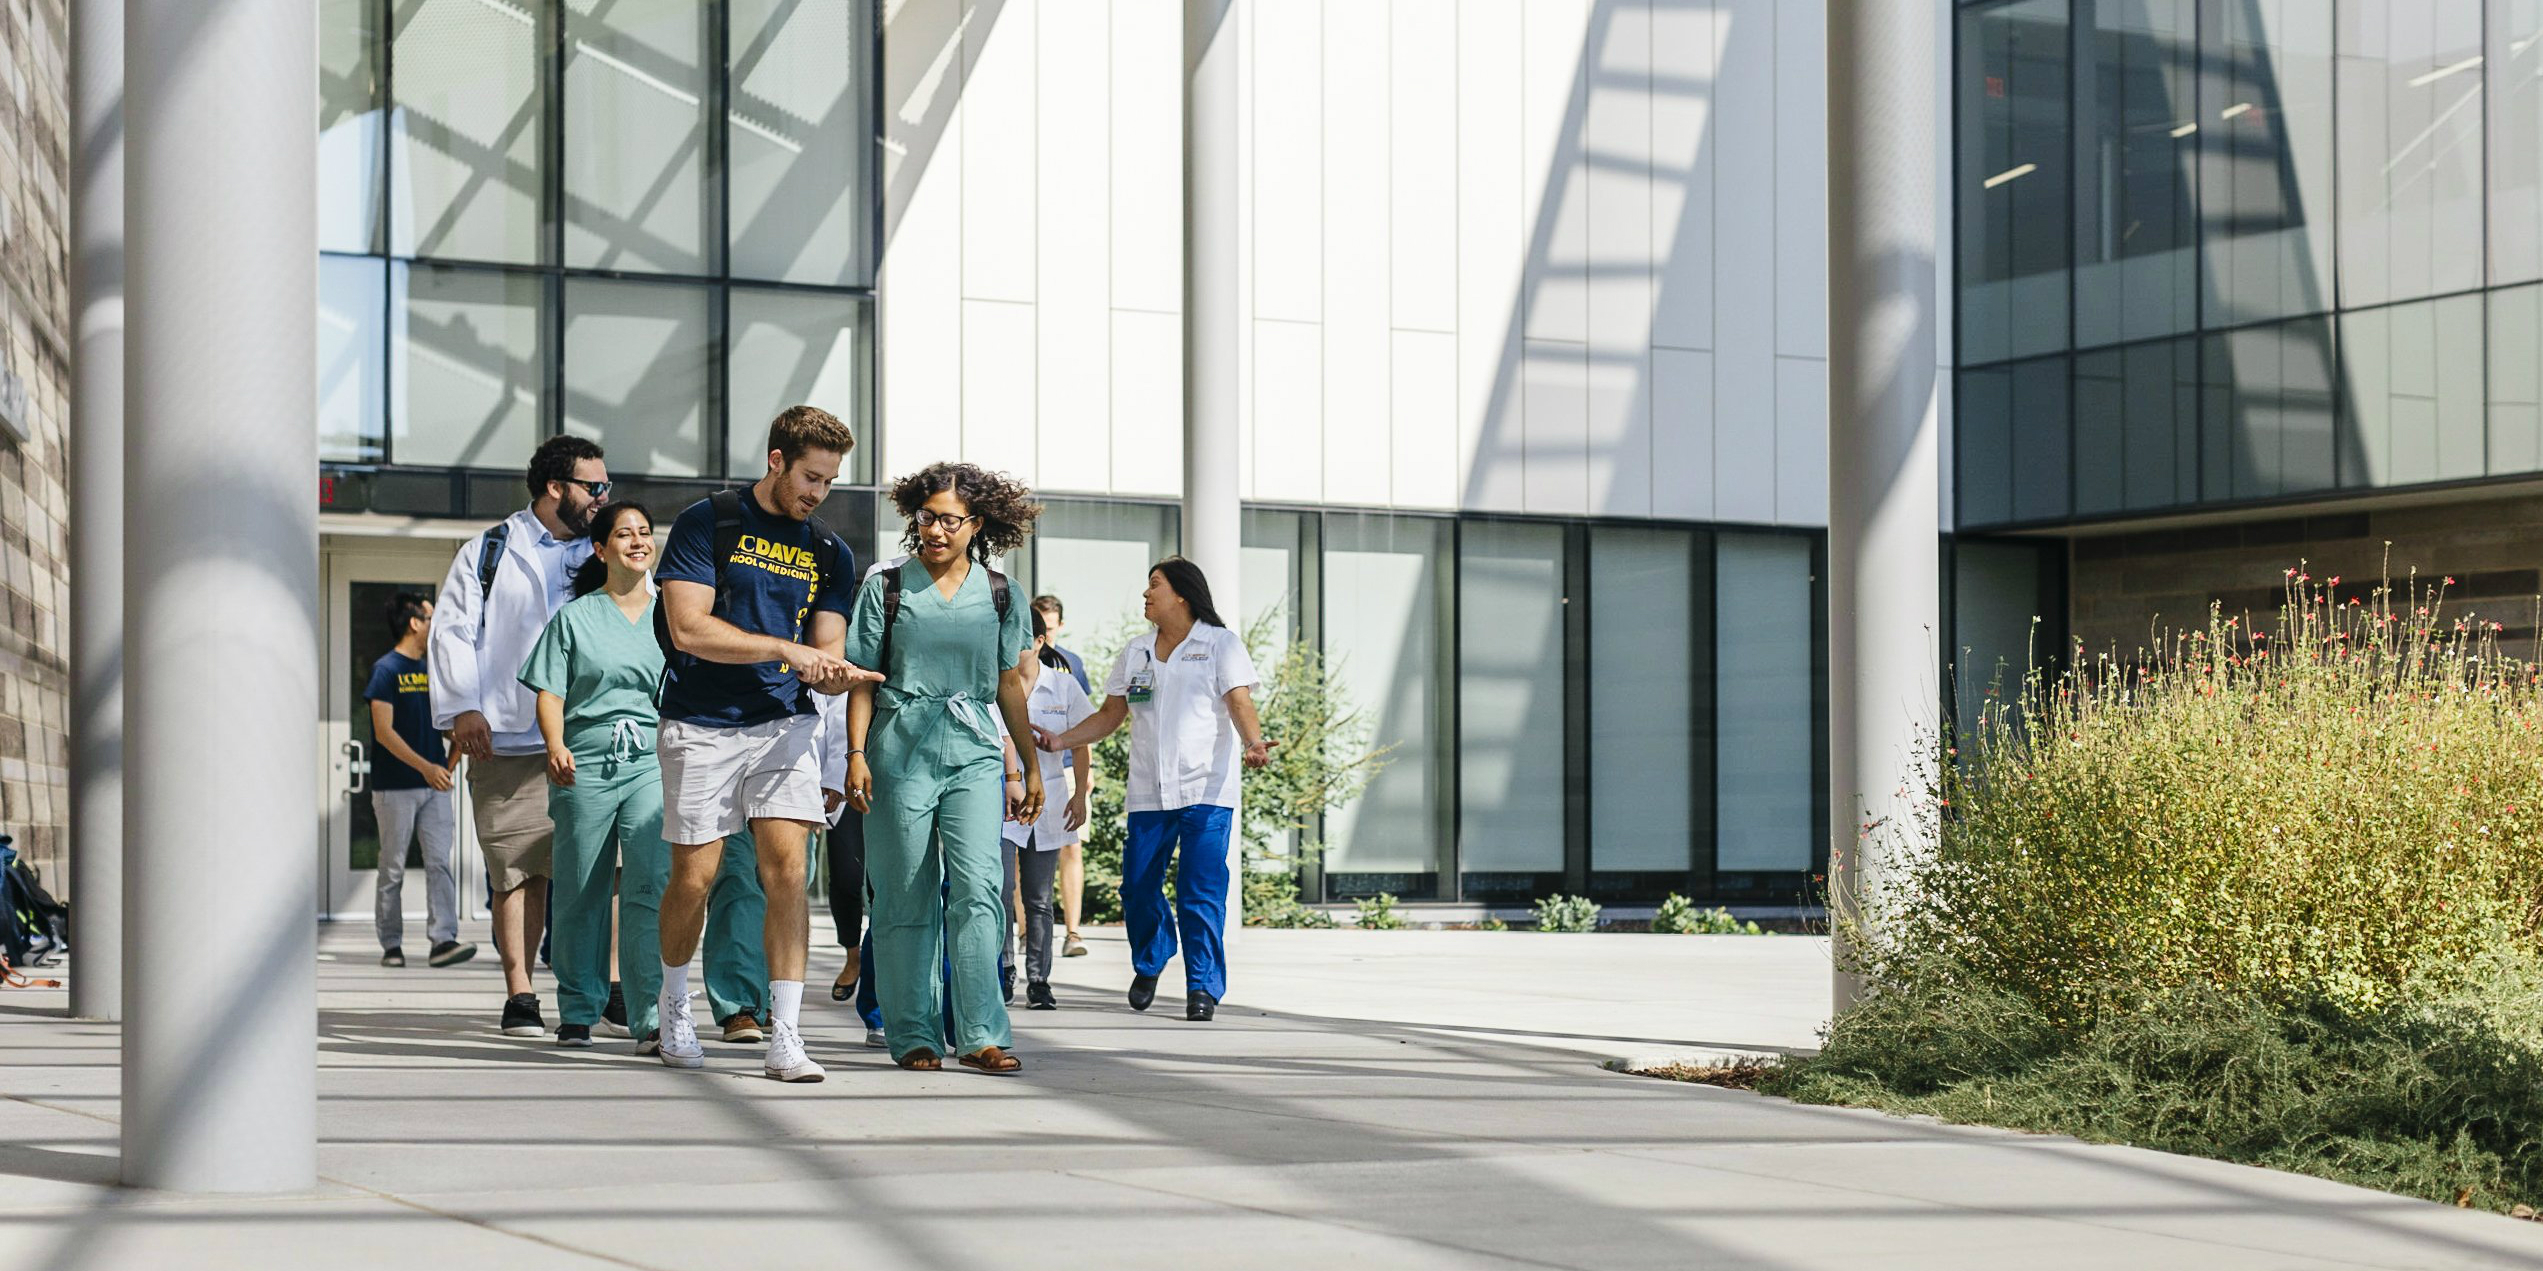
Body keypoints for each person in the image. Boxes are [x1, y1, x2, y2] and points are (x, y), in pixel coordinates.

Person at [653, 406, 876, 1081]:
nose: (817, 492)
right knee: (694, 879)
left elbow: (826, 656)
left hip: (785, 725)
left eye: (829, 482)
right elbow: (688, 629)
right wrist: (787, 647)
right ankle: (672, 1004)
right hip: (700, 722)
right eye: (810, 476)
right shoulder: (708, 521)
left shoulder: (831, 552)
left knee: (785, 874)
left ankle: (787, 1034)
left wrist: (835, 674)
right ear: (776, 459)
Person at [843, 461, 1042, 1074]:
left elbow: (1009, 682)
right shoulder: (886, 587)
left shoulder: (1003, 593)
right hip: (897, 751)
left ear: (975, 524)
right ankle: (914, 1034)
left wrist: (1028, 765)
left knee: (981, 889)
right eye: (925, 517)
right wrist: (855, 755)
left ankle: (982, 1032)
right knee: (904, 893)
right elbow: (862, 682)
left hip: (975, 753)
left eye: (947, 520)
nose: (933, 529)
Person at [1037, 558, 1273, 1022]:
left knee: (1200, 892)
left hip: (1207, 789)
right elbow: (1110, 716)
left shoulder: (1220, 644)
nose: (1146, 594)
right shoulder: (1136, 651)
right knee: (1139, 888)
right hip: (1149, 790)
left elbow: (1239, 701)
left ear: (1182, 594)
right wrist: (1062, 740)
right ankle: (1154, 953)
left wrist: (1254, 742)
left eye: (1154, 586)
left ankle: (1202, 987)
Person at [430, 435, 608, 1037]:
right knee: (518, 867)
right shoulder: (489, 549)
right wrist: (462, 708)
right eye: (594, 486)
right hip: (509, 733)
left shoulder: (605, 548)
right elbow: (453, 631)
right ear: (556, 487)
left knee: (599, 866)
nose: (602, 497)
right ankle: (522, 992)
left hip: (591, 731)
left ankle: (605, 985)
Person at [518, 502, 676, 1049]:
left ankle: (648, 1015)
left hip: (651, 763)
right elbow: (550, 691)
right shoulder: (575, 617)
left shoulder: (673, 615)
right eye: (625, 534)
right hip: (583, 761)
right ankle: (579, 1009)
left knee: (648, 882)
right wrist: (555, 744)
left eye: (645, 531)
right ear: (600, 548)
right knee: (581, 886)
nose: (638, 541)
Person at [364, 593, 476, 972]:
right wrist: (427, 767)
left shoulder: (435, 670)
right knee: (392, 866)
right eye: (430, 617)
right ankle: (391, 944)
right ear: (414, 623)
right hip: (395, 787)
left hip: (434, 788)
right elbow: (384, 732)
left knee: (439, 863)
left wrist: (447, 764)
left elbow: (452, 728)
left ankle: (443, 939)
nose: (436, 624)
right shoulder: (386, 669)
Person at [1003, 607, 1094, 1009]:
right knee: (1002, 892)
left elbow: (1082, 741)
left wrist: (1079, 795)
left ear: (1040, 642)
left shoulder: (1064, 686)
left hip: (1052, 798)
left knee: (1039, 897)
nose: (1016, 646)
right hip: (1003, 800)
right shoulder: (995, 684)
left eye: (1024, 639)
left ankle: (1039, 979)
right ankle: (1003, 970)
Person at [1030, 594, 1094, 961]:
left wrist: (1087, 778)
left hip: (1066, 767)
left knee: (1070, 848)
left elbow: (1085, 725)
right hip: (1024, 771)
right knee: (1025, 854)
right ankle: (1027, 933)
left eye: (1050, 630)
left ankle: (1072, 930)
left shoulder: (1071, 667)